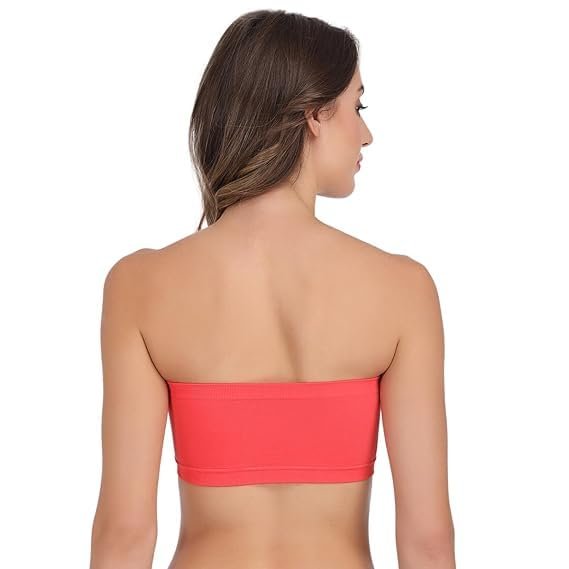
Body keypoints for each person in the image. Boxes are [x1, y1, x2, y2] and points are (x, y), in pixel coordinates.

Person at [89, 9, 456, 569]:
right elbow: (428, 542)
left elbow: (125, 533)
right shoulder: (403, 289)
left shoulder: (140, 286)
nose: (366, 134)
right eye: (357, 107)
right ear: (314, 115)